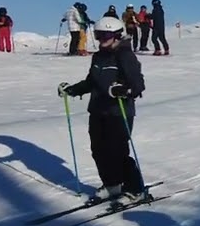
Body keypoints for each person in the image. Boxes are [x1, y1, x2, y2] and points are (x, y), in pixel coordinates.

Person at [57, 16, 147, 204]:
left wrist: (123, 89)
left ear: (116, 35)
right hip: (98, 110)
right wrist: (72, 89)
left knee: (118, 151)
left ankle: (135, 189)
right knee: (98, 150)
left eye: (106, 34)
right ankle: (112, 184)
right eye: (99, 35)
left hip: (118, 112)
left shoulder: (125, 56)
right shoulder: (99, 56)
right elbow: (92, 82)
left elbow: (138, 85)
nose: (102, 39)